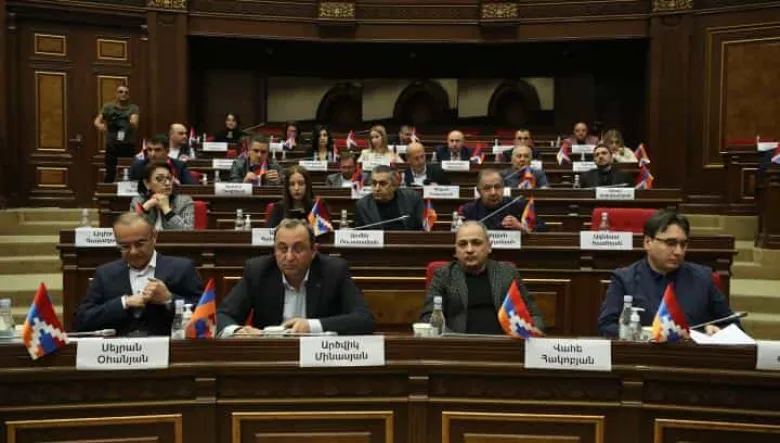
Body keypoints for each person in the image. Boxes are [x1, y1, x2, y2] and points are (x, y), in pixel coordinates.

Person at [216, 218, 375, 336]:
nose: (289, 257)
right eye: (282, 249)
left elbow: (364, 319)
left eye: (298, 249)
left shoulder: (334, 271)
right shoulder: (258, 271)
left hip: (319, 358)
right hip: (270, 357)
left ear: (313, 251)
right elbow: (224, 315)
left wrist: (311, 326)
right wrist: (237, 331)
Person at [597, 210, 739, 338]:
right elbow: (606, 327)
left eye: (683, 244)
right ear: (648, 242)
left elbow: (733, 325)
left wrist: (717, 330)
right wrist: (647, 334)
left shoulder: (703, 278)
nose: (678, 252)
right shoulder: (624, 279)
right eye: (670, 243)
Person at [74, 212, 203, 336]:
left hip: (168, 347)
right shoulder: (105, 274)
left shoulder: (181, 268)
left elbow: (204, 315)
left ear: (154, 236)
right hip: (119, 349)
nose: (133, 252)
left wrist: (169, 299)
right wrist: (123, 303)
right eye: (125, 246)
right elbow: (81, 320)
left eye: (139, 244)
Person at [419, 221, 544, 334]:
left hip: (503, 345)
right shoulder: (443, 275)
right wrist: (453, 340)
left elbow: (533, 314)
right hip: (458, 346)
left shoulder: (507, 273)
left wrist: (532, 332)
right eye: (462, 244)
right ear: (456, 250)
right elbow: (428, 317)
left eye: (476, 243)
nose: (469, 249)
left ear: (489, 247)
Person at [461, 169, 542, 232]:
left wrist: (522, 227)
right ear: (479, 191)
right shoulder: (469, 210)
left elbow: (542, 228)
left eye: (497, 187)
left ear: (503, 188)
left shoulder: (519, 205)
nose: (493, 193)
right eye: (487, 188)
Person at [354, 165, 424, 230]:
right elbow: (359, 234)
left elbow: (423, 227)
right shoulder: (363, 206)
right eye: (374, 183)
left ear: (394, 185)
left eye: (383, 183)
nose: (377, 188)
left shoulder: (412, 198)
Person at [95, 84, 139, 183]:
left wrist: (132, 121)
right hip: (112, 144)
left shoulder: (133, 108)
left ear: (129, 95)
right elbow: (97, 121)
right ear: (116, 94)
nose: (123, 94)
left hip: (127, 144)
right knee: (110, 172)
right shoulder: (108, 107)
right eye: (121, 92)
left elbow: (135, 121)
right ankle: (109, 191)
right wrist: (99, 125)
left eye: (126, 93)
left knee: (128, 171)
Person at [130, 161, 194, 230]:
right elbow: (132, 230)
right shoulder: (138, 201)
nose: (167, 183)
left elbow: (188, 231)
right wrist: (146, 207)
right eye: (160, 178)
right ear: (147, 183)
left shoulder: (184, 201)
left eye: (169, 178)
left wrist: (166, 210)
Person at [129, 135, 197, 195]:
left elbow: (192, 188)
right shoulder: (138, 166)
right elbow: (130, 189)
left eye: (157, 150)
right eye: (149, 149)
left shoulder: (179, 165)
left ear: (167, 151)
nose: (152, 154)